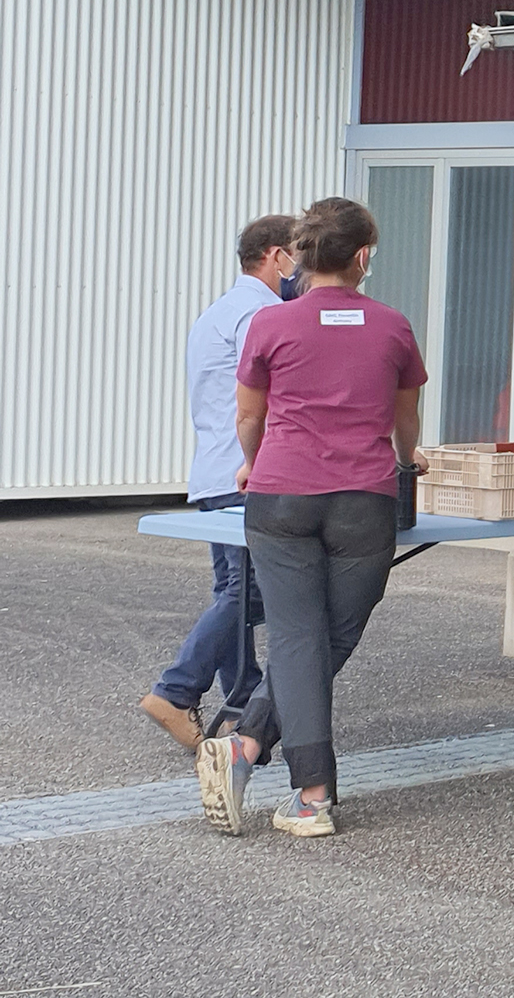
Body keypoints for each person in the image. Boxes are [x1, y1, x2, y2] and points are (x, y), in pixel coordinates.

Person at [192, 198, 427, 839]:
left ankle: (253, 752)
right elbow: (405, 420)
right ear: (363, 256)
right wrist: (408, 459)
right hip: (365, 501)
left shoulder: (271, 323)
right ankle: (304, 789)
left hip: (281, 496)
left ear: (301, 255)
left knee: (302, 639)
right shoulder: (393, 326)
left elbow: (249, 415)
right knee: (332, 637)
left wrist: (252, 462)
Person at [139, 215, 299, 750]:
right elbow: (270, 397)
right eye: (298, 255)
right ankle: (175, 690)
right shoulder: (262, 314)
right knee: (249, 592)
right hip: (246, 469)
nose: (302, 268)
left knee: (232, 590)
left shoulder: (217, 312)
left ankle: (242, 703)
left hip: (213, 469)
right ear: (276, 256)